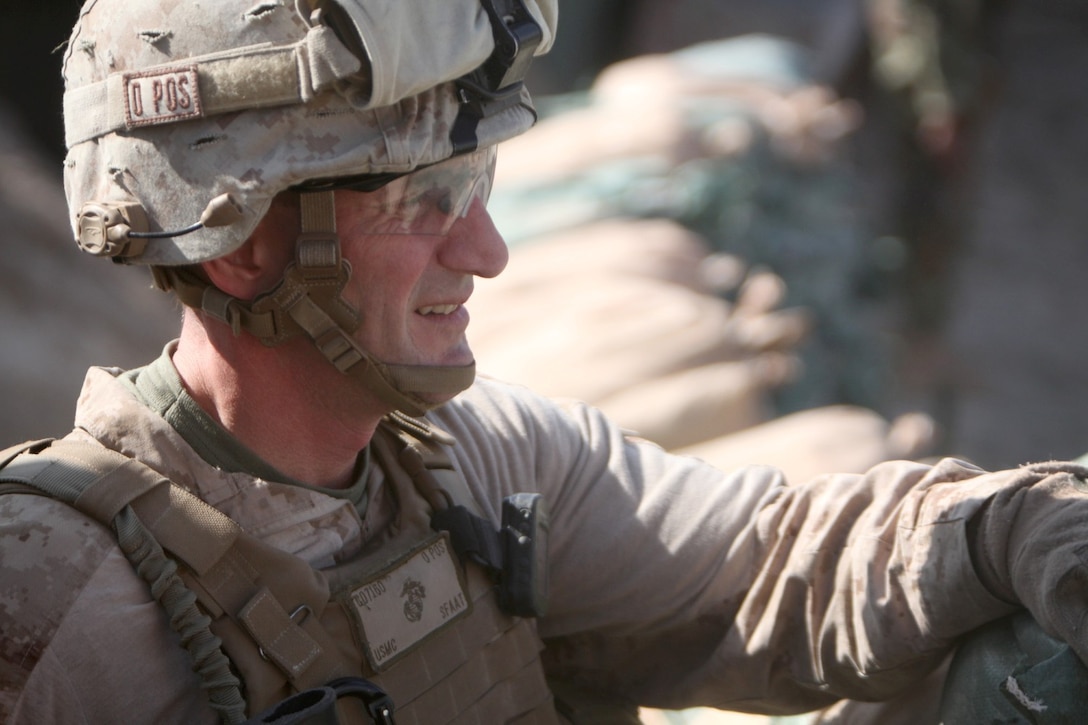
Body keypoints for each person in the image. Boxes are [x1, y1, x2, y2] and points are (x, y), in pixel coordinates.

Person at [1, 1, 1087, 723]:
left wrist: (1004, 528)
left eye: (472, 189)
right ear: (241, 245)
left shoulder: (478, 465)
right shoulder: (47, 589)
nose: (483, 251)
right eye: (420, 203)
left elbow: (768, 566)